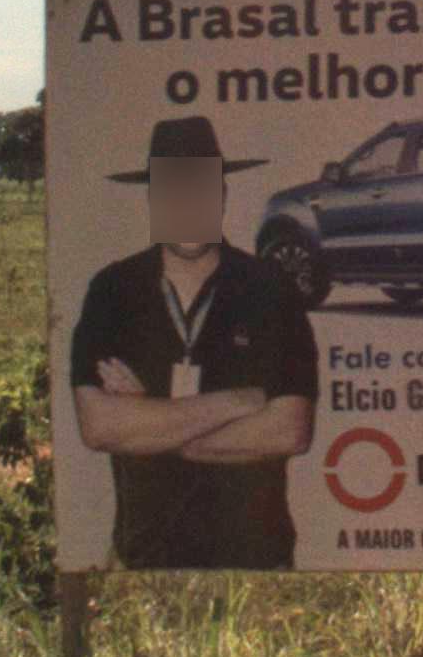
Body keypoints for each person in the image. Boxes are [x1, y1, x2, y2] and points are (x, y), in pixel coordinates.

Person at [68, 116, 316, 569]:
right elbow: (99, 427)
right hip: (143, 560)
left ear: (222, 195)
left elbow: (290, 430)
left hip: (256, 560)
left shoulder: (270, 288)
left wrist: (149, 421)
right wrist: (240, 401)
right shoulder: (114, 290)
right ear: (152, 199)